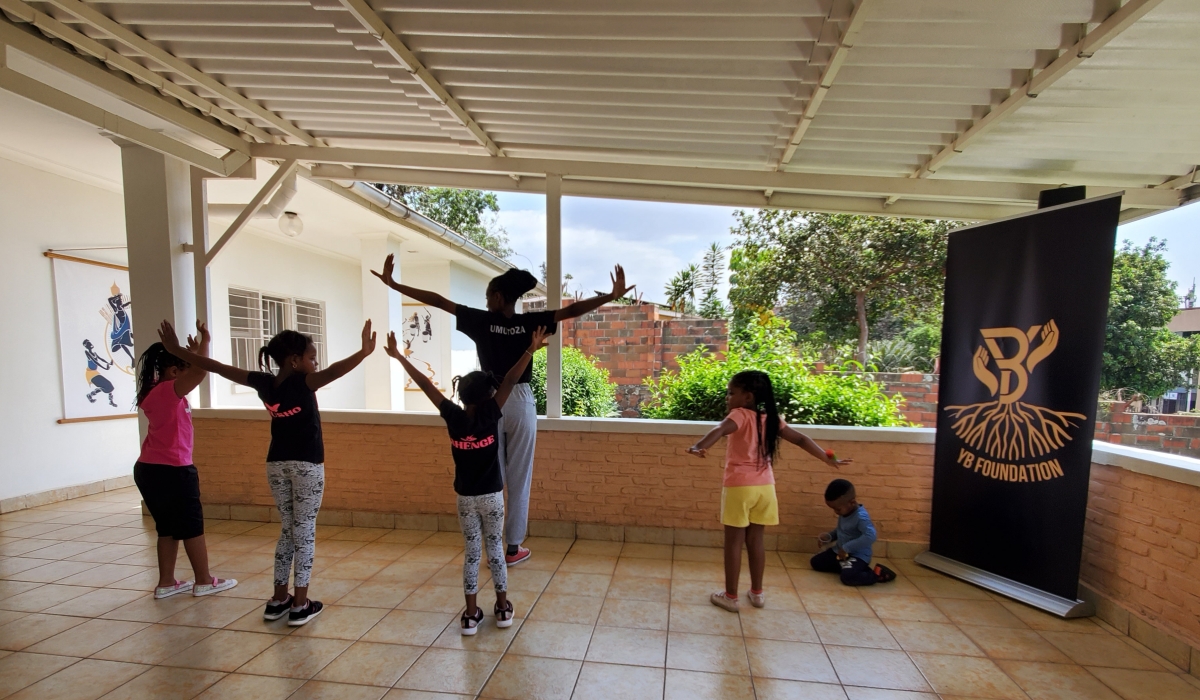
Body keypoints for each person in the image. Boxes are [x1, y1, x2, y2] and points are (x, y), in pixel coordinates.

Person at [372, 255, 634, 566]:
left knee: (491, 474)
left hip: (488, 401)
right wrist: (610, 296)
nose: (485, 303)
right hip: (520, 399)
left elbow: (440, 301)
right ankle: (513, 549)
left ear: (497, 297)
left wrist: (395, 285)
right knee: (519, 477)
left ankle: (491, 543)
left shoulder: (481, 322)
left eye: (487, 298)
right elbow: (571, 311)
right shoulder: (529, 323)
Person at [159, 319, 376, 626]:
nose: (316, 364)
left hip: (276, 465)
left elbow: (217, 366)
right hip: (307, 466)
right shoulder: (303, 382)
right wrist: (363, 353)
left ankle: (278, 599)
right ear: (295, 360)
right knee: (305, 532)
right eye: (312, 358)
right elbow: (334, 372)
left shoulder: (264, 383)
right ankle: (301, 604)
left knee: (288, 529)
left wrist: (176, 350)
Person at [387, 326, 550, 634]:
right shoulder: (492, 415)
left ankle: (471, 615)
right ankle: (503, 609)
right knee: (496, 554)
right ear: (490, 396)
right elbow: (513, 379)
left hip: (465, 499)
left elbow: (425, 383)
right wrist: (530, 349)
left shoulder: (453, 417)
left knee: (472, 555)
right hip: (491, 499)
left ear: (460, 396)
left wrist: (399, 357)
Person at [687, 370, 850, 612]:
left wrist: (698, 446)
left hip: (740, 487)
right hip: (765, 488)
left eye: (731, 393)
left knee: (734, 543)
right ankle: (757, 593)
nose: (727, 397)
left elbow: (720, 430)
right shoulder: (770, 419)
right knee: (756, 540)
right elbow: (802, 439)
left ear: (748, 397)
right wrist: (828, 459)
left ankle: (730, 597)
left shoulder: (739, 415)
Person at [136, 322, 236, 599]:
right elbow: (202, 370)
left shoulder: (154, 392)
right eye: (184, 367)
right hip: (173, 470)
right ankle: (204, 580)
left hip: (149, 469)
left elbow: (196, 369)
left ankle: (166, 582)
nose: (189, 373)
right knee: (192, 527)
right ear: (173, 372)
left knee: (166, 528)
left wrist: (199, 346)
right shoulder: (168, 392)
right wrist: (199, 348)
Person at [811, 479, 896, 586]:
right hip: (841, 553)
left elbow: (871, 536)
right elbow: (842, 530)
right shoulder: (845, 512)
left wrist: (847, 548)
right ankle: (847, 566)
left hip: (857, 555)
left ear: (852, 502)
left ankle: (877, 574)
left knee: (847, 578)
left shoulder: (861, 517)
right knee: (816, 562)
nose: (836, 512)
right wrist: (829, 536)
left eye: (838, 509)